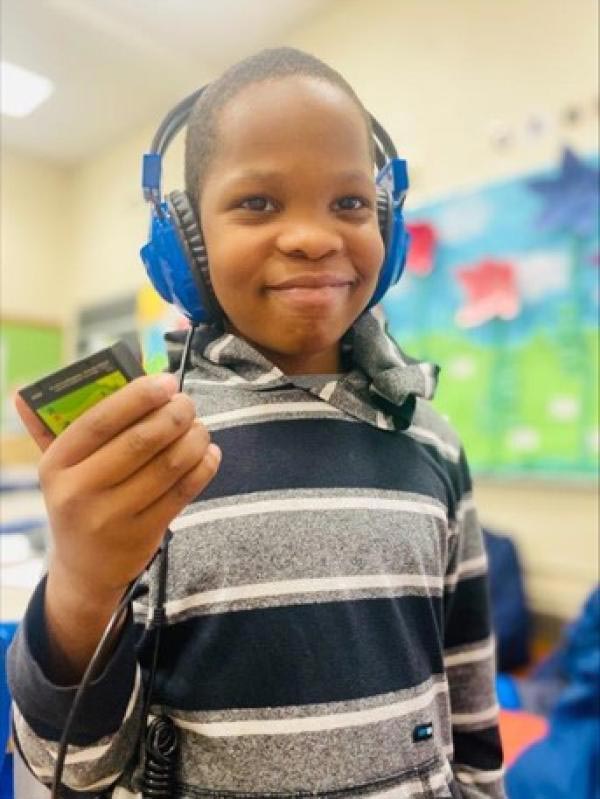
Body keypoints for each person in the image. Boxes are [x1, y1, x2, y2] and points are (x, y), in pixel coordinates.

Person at [8, 48, 505, 798]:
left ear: (391, 226)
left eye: (349, 203)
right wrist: (81, 585)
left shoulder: (430, 437)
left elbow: (468, 686)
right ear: (183, 242)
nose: (311, 236)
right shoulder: (151, 443)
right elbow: (68, 771)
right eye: (259, 204)